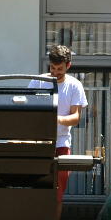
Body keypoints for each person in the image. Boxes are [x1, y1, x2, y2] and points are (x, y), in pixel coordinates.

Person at [29, 45, 89, 205]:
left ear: (68, 66)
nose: (55, 72)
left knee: (57, 195)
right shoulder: (38, 82)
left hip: (61, 143)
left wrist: (55, 118)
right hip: (38, 143)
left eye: (60, 69)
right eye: (53, 68)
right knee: (36, 192)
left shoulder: (75, 85)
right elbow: (27, 109)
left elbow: (75, 117)